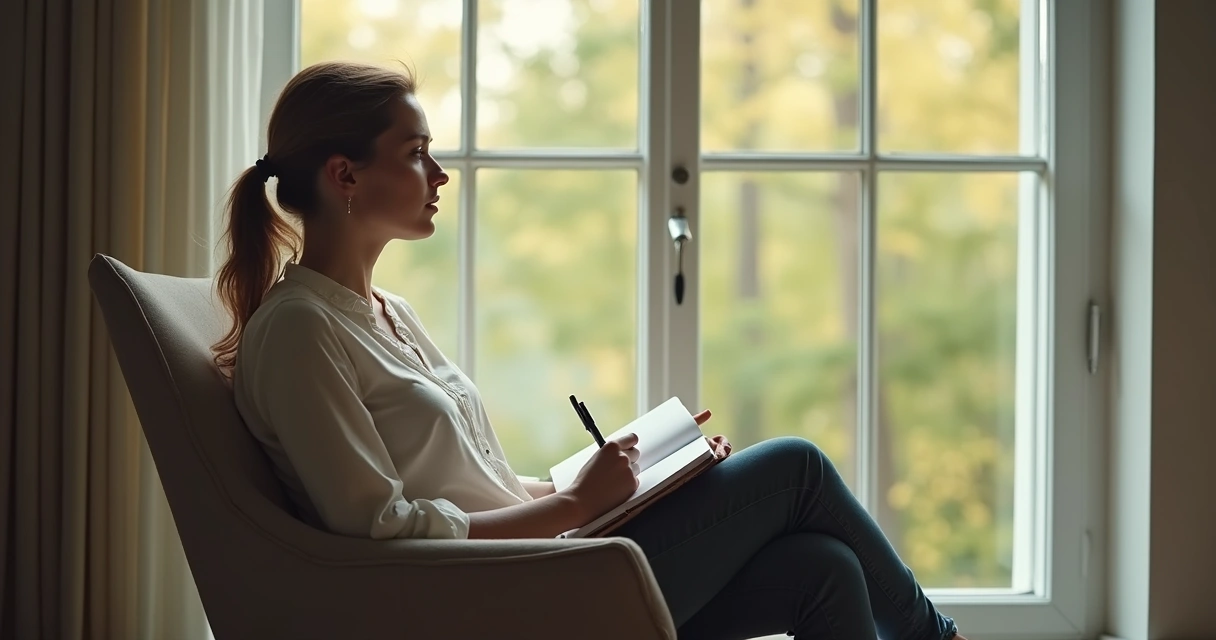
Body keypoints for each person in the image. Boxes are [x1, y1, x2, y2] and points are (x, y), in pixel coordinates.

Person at [213, 61, 963, 640]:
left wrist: (638, 478)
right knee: (796, 464)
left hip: (540, 562)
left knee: (822, 570)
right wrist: (574, 505)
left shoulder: (388, 312)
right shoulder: (301, 330)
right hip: (495, 601)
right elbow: (378, 528)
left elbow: (479, 483)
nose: (439, 175)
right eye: (415, 154)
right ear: (344, 175)